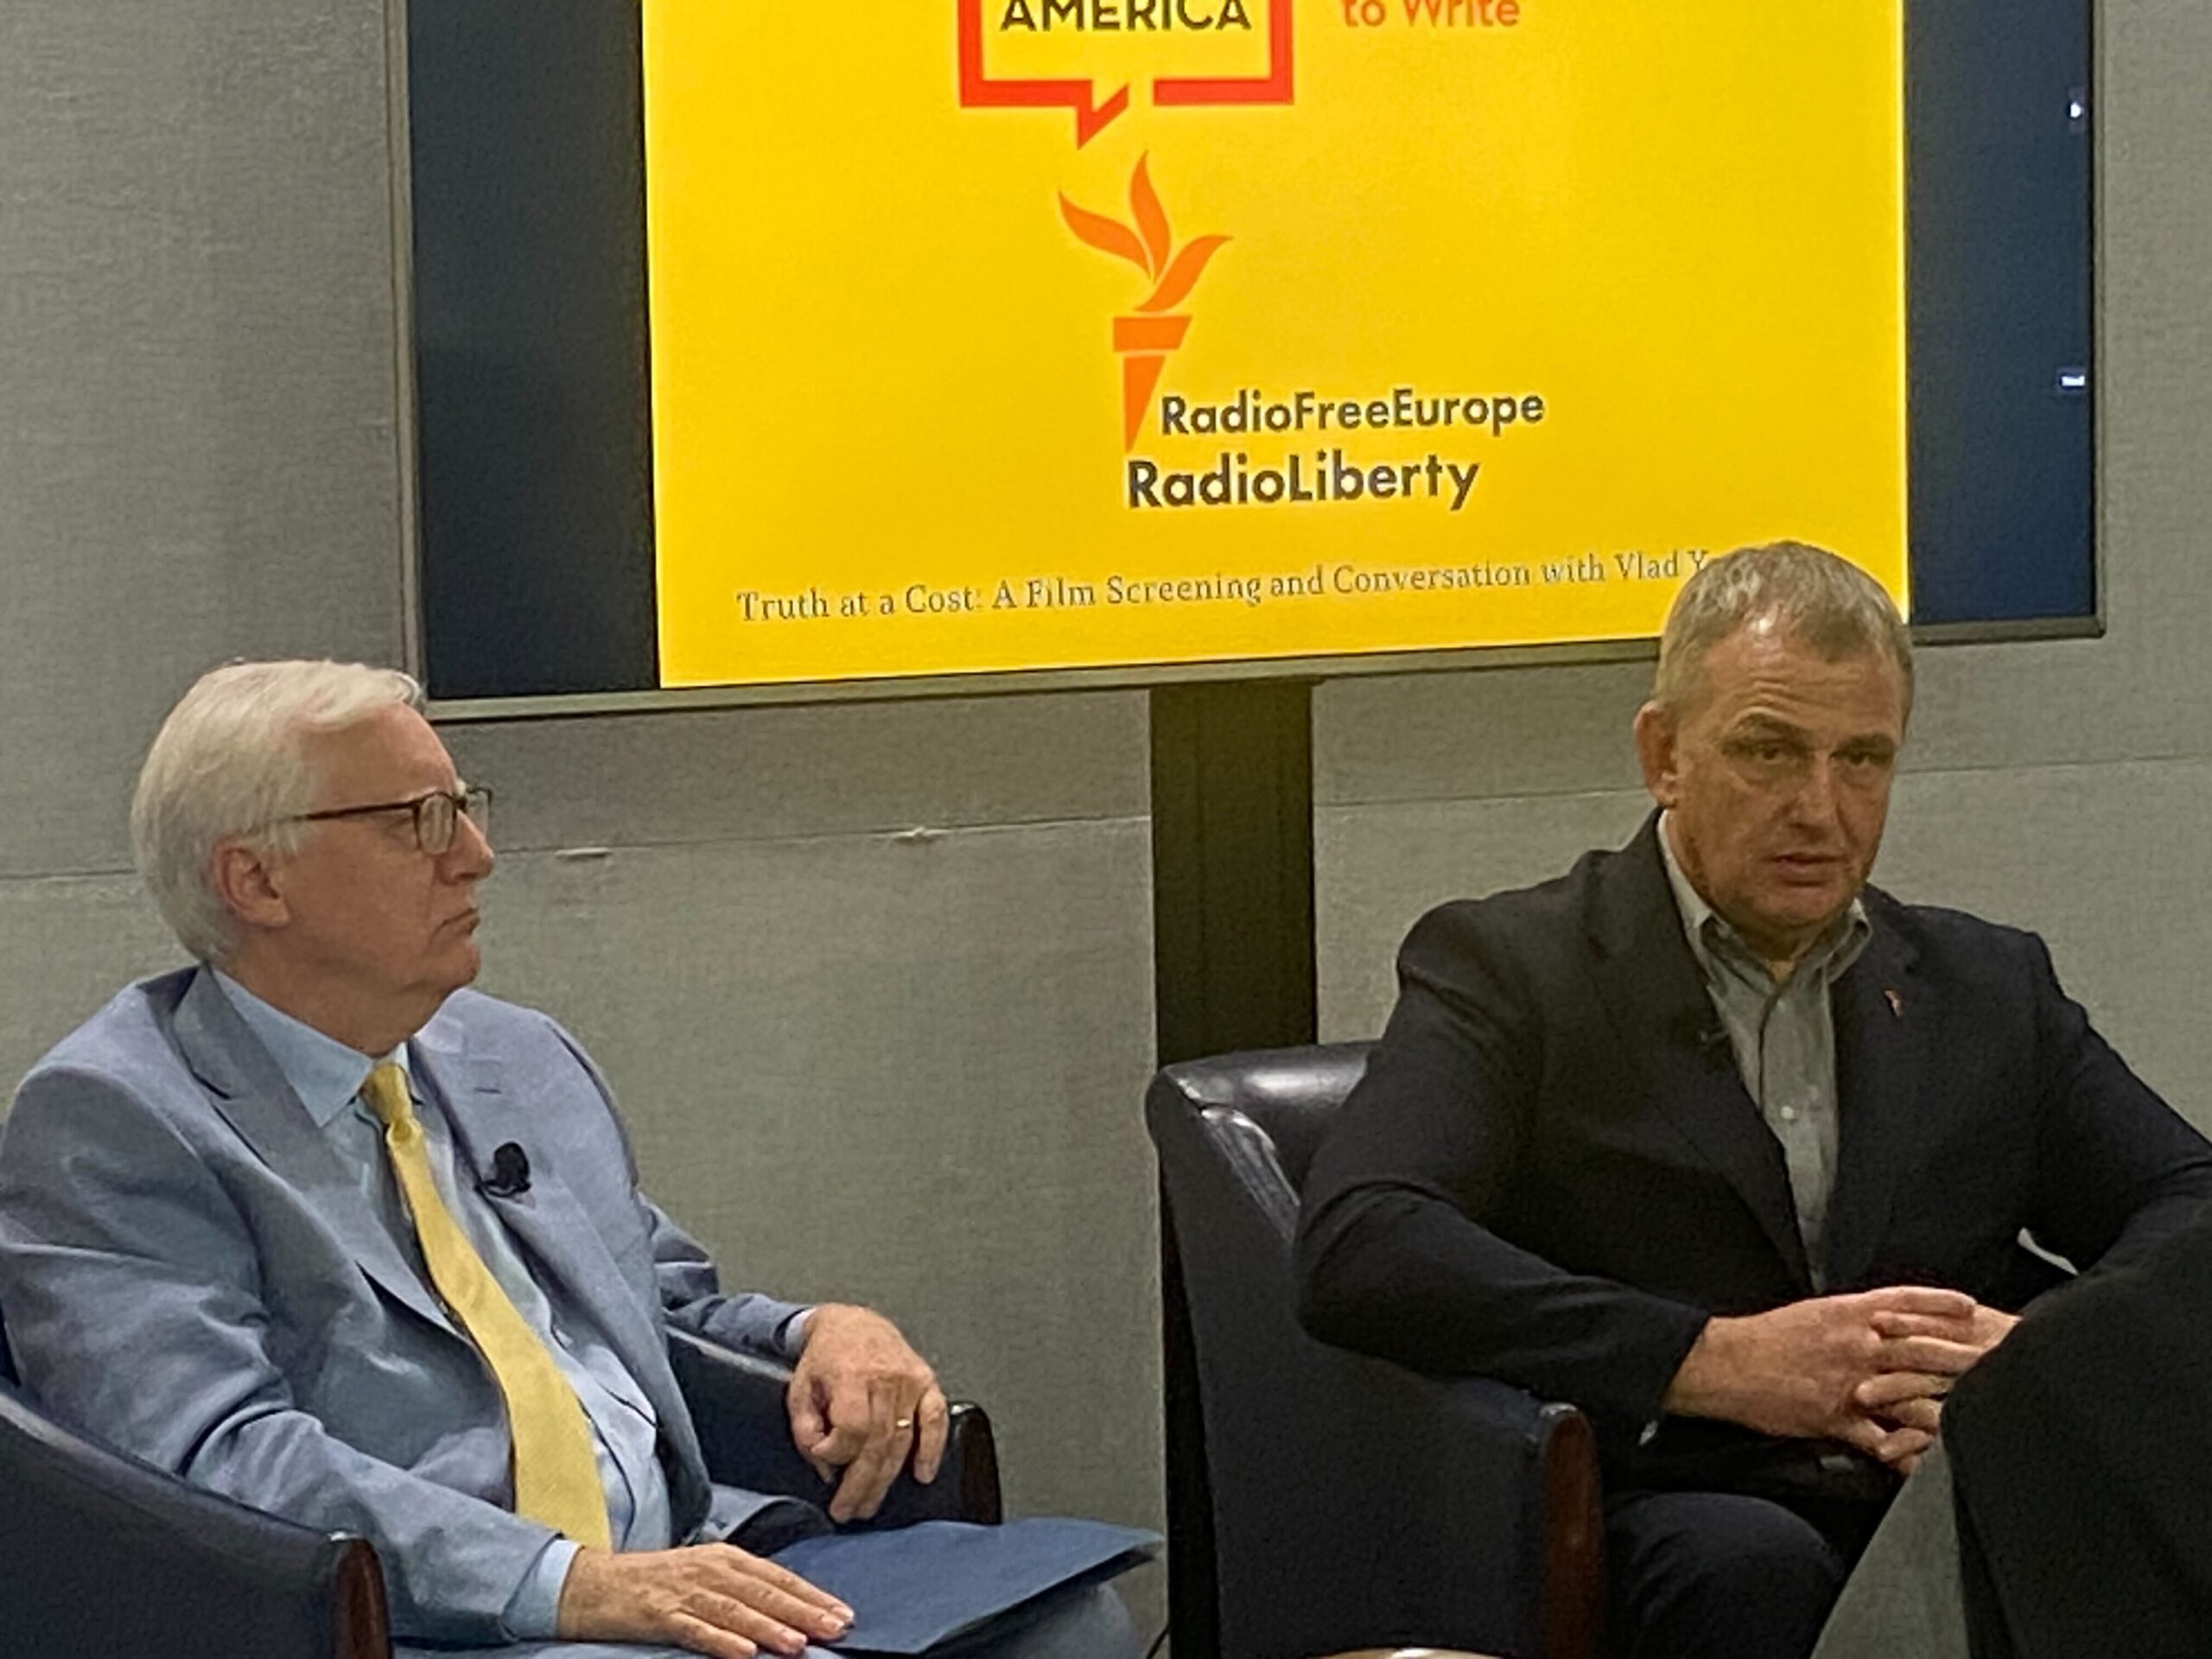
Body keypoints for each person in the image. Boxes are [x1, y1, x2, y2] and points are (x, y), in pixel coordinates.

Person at [0, 660, 1138, 1659]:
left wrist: (818, 1332)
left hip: (686, 1555)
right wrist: (568, 1586)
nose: (478, 856)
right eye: (419, 820)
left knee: (1072, 1631)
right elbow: (215, 1461)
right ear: (259, 881)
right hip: (438, 1619)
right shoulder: (115, 1120)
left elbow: (666, 1305)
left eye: (464, 808)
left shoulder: (513, 1055)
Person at [1293, 542, 2212, 1659]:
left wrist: (2028, 1365)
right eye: (1770, 752)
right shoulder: (1513, 968)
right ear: (1664, 754)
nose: (1820, 808)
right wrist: (1718, 1360)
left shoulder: (1988, 990)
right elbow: (1365, 1241)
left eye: (1863, 760)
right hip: (1679, 1482)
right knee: (1751, 1569)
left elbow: (2188, 1209)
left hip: (1940, 1478)